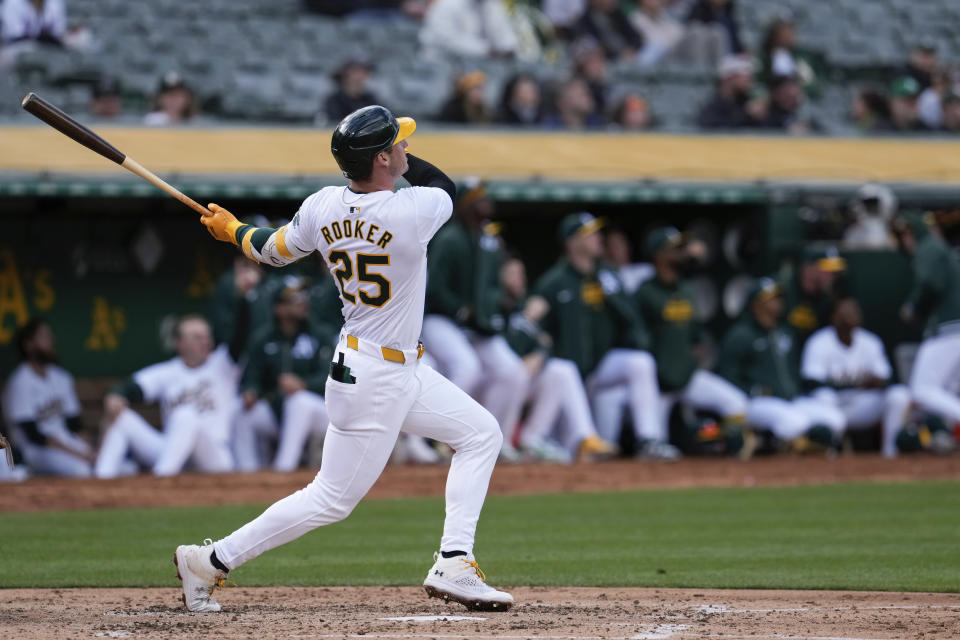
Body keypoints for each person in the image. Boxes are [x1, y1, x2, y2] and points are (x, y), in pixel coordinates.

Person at [178, 105, 513, 613]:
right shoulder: (414, 210)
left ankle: (454, 561)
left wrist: (232, 230)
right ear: (381, 159)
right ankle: (210, 561)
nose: (406, 149)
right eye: (398, 144)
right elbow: (444, 182)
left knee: (480, 433)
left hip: (386, 366)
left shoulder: (321, 207)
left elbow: (268, 249)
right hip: (376, 377)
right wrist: (393, 157)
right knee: (330, 499)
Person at [528, 213, 679, 459]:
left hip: (601, 366)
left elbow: (630, 317)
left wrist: (633, 334)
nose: (598, 238)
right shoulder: (554, 281)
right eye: (590, 233)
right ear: (573, 242)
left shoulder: (606, 274)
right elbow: (536, 328)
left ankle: (649, 439)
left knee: (640, 363)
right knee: (570, 454)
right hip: (569, 375)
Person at [422, 181, 530, 460]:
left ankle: (492, 440)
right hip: (440, 319)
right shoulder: (450, 238)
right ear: (465, 205)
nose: (486, 203)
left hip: (474, 324)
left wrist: (494, 306)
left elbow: (491, 287)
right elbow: (433, 289)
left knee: (513, 371)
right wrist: (461, 309)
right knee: (466, 367)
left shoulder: (487, 240)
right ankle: (445, 440)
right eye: (478, 199)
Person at [635, 227, 749, 447]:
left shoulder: (685, 288)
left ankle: (717, 445)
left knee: (737, 404)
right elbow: (638, 337)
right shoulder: (645, 292)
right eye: (674, 249)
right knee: (655, 444)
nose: (681, 253)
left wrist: (701, 345)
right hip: (657, 384)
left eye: (681, 248)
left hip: (686, 375)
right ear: (659, 255)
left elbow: (696, 330)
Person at [94, 314, 242, 478]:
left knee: (186, 415)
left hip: (214, 455)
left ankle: (161, 480)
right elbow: (130, 387)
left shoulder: (222, 364)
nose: (205, 342)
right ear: (180, 344)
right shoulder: (169, 371)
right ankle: (101, 479)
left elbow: (240, 335)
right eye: (197, 337)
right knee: (122, 417)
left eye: (207, 336)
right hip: (171, 449)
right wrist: (116, 395)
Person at [498, 256, 617, 461]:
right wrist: (527, 321)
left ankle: (537, 439)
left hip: (522, 382)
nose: (519, 280)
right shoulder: (495, 303)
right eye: (512, 275)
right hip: (491, 387)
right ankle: (502, 442)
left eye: (521, 274)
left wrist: (540, 354)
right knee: (516, 371)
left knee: (561, 370)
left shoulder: (522, 305)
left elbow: (545, 344)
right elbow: (507, 347)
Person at [716, 278, 846, 449]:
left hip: (791, 400)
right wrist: (753, 390)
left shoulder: (785, 332)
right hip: (756, 402)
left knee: (836, 419)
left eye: (778, 298)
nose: (778, 302)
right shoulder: (741, 335)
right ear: (757, 304)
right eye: (772, 298)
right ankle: (772, 447)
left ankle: (803, 448)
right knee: (794, 423)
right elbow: (727, 378)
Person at [233, 277, 339, 473]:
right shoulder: (263, 339)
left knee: (298, 401)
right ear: (279, 308)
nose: (302, 301)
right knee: (242, 413)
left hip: (321, 412)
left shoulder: (320, 334)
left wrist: (303, 384)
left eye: (303, 296)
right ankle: (247, 473)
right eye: (294, 298)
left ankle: (284, 469)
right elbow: (250, 377)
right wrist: (251, 392)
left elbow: (333, 377)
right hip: (279, 409)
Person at [801, 298, 911, 458]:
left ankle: (890, 453)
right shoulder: (819, 342)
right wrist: (854, 384)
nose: (851, 316)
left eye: (854, 311)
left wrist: (875, 383)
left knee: (899, 395)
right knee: (824, 396)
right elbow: (812, 382)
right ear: (833, 317)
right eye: (845, 312)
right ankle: (829, 454)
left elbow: (886, 378)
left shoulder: (870, 341)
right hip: (832, 405)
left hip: (860, 406)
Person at [2, 318, 93, 477]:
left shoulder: (61, 377)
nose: (51, 342)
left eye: (50, 337)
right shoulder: (20, 382)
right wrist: (79, 454)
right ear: (28, 345)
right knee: (82, 470)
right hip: (35, 450)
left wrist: (91, 450)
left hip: (65, 443)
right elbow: (34, 436)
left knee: (120, 466)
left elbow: (75, 425)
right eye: (44, 337)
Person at [894, 212, 960, 428]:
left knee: (922, 391)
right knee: (946, 391)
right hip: (953, 328)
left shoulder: (929, 247)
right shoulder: (939, 248)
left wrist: (913, 306)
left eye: (904, 235)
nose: (903, 241)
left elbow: (930, 283)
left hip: (948, 330)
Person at [780, 245, 846, 348]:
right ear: (808, 268)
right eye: (828, 270)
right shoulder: (782, 289)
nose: (833, 276)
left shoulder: (828, 299)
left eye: (836, 272)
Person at [419, 0, 519, 59]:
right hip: (440, 65)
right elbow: (447, 41)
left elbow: (506, 39)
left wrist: (508, 49)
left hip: (483, 68)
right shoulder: (446, 4)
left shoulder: (493, 6)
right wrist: (487, 51)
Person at [697, 55, 764, 130]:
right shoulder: (712, 107)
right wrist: (745, 114)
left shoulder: (745, 102)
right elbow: (713, 129)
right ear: (729, 77)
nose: (750, 79)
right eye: (746, 73)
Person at [573, 0, 643, 61]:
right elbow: (595, 49)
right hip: (609, 61)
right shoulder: (583, 22)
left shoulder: (617, 13)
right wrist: (619, 54)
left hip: (632, 54)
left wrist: (632, 49)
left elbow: (635, 36)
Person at [843, 183, 898, 250]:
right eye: (868, 203)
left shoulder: (892, 230)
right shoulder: (853, 231)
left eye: (874, 203)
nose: (871, 207)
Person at [630, 0, 685, 66]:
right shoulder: (635, 19)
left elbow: (681, 34)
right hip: (651, 64)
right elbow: (656, 43)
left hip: (673, 58)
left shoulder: (665, 15)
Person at [324, 59, 378, 123]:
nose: (360, 76)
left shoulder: (370, 99)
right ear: (344, 75)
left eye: (364, 72)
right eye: (355, 71)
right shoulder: (334, 101)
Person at [604, 227, 653, 294]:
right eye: (613, 245)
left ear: (628, 246)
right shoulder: (606, 276)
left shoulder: (647, 269)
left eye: (620, 243)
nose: (618, 248)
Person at [0, 0, 66, 45]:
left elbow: (58, 34)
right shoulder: (12, 3)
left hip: (48, 50)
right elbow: (15, 37)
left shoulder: (55, 3)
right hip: (15, 50)